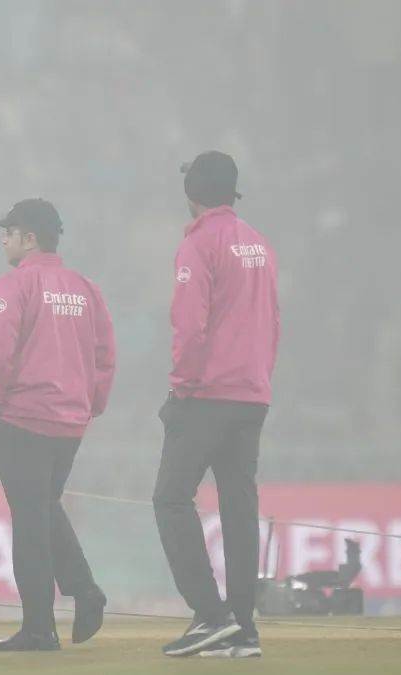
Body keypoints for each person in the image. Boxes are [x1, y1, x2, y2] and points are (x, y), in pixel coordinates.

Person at [0, 198, 115, 652]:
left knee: (30, 522)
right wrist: (90, 404)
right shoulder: (85, 288)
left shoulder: (13, 285)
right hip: (69, 422)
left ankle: (40, 627)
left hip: (22, 417)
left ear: (29, 238)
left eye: (9, 231)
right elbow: (105, 354)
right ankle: (84, 591)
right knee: (42, 508)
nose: (3, 239)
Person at [153, 152, 278, 659]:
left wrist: (181, 385)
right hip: (252, 393)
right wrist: (259, 378)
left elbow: (189, 325)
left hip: (206, 394)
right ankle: (242, 628)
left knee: (170, 499)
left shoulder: (199, 243)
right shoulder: (259, 243)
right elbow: (273, 319)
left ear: (192, 193)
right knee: (239, 508)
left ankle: (210, 615)